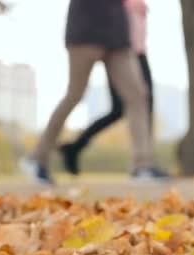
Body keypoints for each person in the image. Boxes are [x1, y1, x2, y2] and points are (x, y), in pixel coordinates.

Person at [18, 0, 166, 184]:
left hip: (117, 36)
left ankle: (142, 165)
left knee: (137, 95)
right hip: (85, 31)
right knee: (75, 94)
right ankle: (37, 158)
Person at [58, 0, 158, 176]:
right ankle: (69, 148)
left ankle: (143, 163)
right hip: (124, 49)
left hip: (125, 47)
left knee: (132, 103)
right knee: (116, 106)